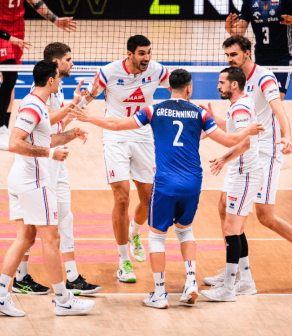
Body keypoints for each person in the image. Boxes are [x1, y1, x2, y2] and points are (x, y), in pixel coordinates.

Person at [70, 69, 265, 308]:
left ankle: (160, 294)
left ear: (167, 88)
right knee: (186, 231)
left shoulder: (154, 110)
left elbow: (117, 124)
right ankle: (191, 282)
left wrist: (90, 118)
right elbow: (230, 140)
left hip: (165, 183)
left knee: (156, 237)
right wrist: (248, 131)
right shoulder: (200, 113)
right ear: (189, 89)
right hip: (193, 182)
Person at [0, 60, 94, 317]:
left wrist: (71, 134)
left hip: (22, 180)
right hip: (33, 182)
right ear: (50, 80)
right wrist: (50, 153)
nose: (60, 82)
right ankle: (63, 299)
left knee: (25, 238)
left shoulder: (37, 104)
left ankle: (1, 294)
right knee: (52, 238)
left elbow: (45, 138)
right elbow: (14, 143)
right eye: (58, 78)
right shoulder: (34, 107)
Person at [78, 35, 171, 283]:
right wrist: (71, 113)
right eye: (142, 53)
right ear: (129, 54)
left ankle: (134, 233)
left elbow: (179, 89)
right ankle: (123, 261)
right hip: (115, 135)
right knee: (121, 197)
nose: (147, 57)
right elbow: (88, 97)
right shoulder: (108, 73)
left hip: (143, 135)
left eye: (149, 52)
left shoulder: (158, 70)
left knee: (149, 200)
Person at [202, 36, 292, 292]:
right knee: (223, 207)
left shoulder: (264, 77)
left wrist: (287, 134)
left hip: (266, 153)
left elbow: (278, 109)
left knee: (266, 217)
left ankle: (240, 277)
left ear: (247, 53)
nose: (229, 59)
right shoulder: (235, 82)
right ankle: (238, 272)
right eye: (227, 55)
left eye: (233, 55)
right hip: (244, 151)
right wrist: (214, 121)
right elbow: (238, 126)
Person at [13, 42, 101, 296]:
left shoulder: (57, 88)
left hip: (56, 161)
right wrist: (79, 105)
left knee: (65, 218)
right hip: (43, 163)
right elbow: (47, 126)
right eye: (68, 59)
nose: (72, 63)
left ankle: (72, 277)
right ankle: (21, 276)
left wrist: (87, 99)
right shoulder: (41, 92)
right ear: (55, 64)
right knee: (34, 228)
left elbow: (60, 121)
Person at [200, 67, 264, 302]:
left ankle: (228, 287)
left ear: (233, 85)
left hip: (245, 172)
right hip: (240, 171)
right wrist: (214, 120)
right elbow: (235, 132)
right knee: (234, 226)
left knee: (231, 230)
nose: (218, 86)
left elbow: (245, 142)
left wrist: (223, 158)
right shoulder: (240, 104)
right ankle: (244, 280)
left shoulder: (240, 107)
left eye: (221, 82)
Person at [0, 0, 77, 151]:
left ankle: (4, 126)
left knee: (9, 80)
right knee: (10, 76)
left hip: (17, 26)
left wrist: (55, 19)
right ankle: (0, 129)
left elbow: (35, 2)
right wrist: (8, 37)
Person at [225, 0, 292, 100]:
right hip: (261, 57)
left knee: (276, 98)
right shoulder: (249, 2)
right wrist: (229, 28)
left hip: (283, 57)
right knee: (259, 99)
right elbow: (240, 33)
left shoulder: (285, 1)